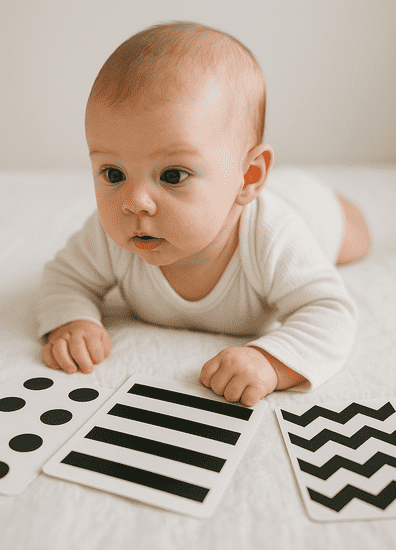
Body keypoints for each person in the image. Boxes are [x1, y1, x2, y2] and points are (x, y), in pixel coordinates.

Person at [37, 21, 371, 406]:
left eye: (172, 175)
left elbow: (329, 311)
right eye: (114, 174)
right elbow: (64, 279)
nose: (134, 202)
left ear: (249, 176)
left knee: (355, 240)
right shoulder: (110, 233)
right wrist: (72, 321)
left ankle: (331, 200)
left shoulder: (273, 237)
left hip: (313, 209)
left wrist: (270, 362)